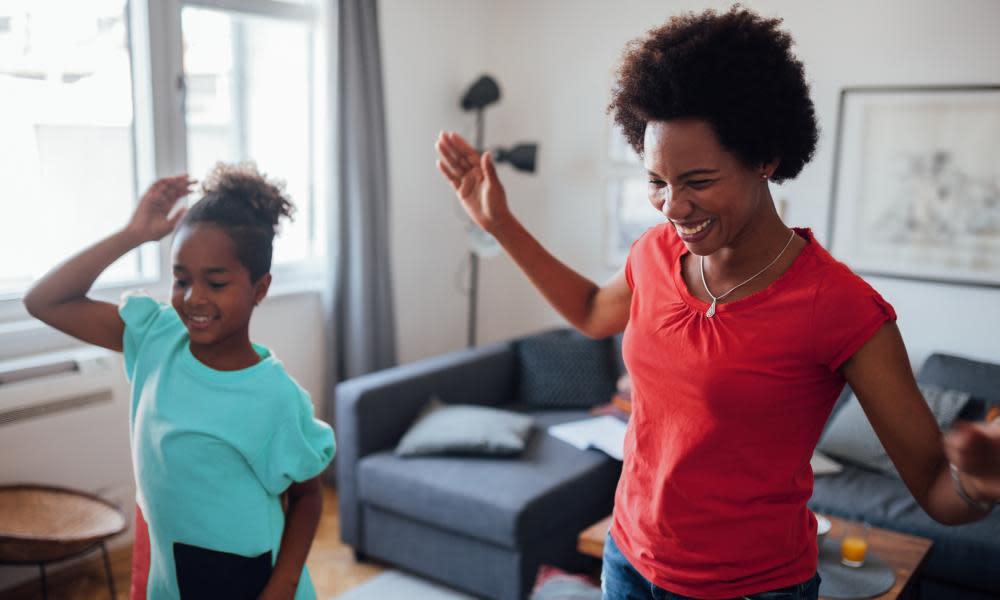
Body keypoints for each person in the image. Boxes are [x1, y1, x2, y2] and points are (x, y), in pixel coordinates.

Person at [436, 6, 995, 600]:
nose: (672, 207)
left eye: (698, 181)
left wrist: (980, 485)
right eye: (657, 180)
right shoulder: (655, 252)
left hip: (752, 589)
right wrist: (500, 224)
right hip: (628, 559)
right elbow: (593, 312)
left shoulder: (841, 307)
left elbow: (937, 491)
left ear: (765, 158)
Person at [24, 164, 335, 600]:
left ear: (259, 288)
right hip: (172, 581)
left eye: (217, 282)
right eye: (181, 279)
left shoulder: (273, 397)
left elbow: (307, 496)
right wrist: (133, 234)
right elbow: (44, 301)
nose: (194, 298)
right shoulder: (156, 338)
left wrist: (282, 586)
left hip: (252, 585)